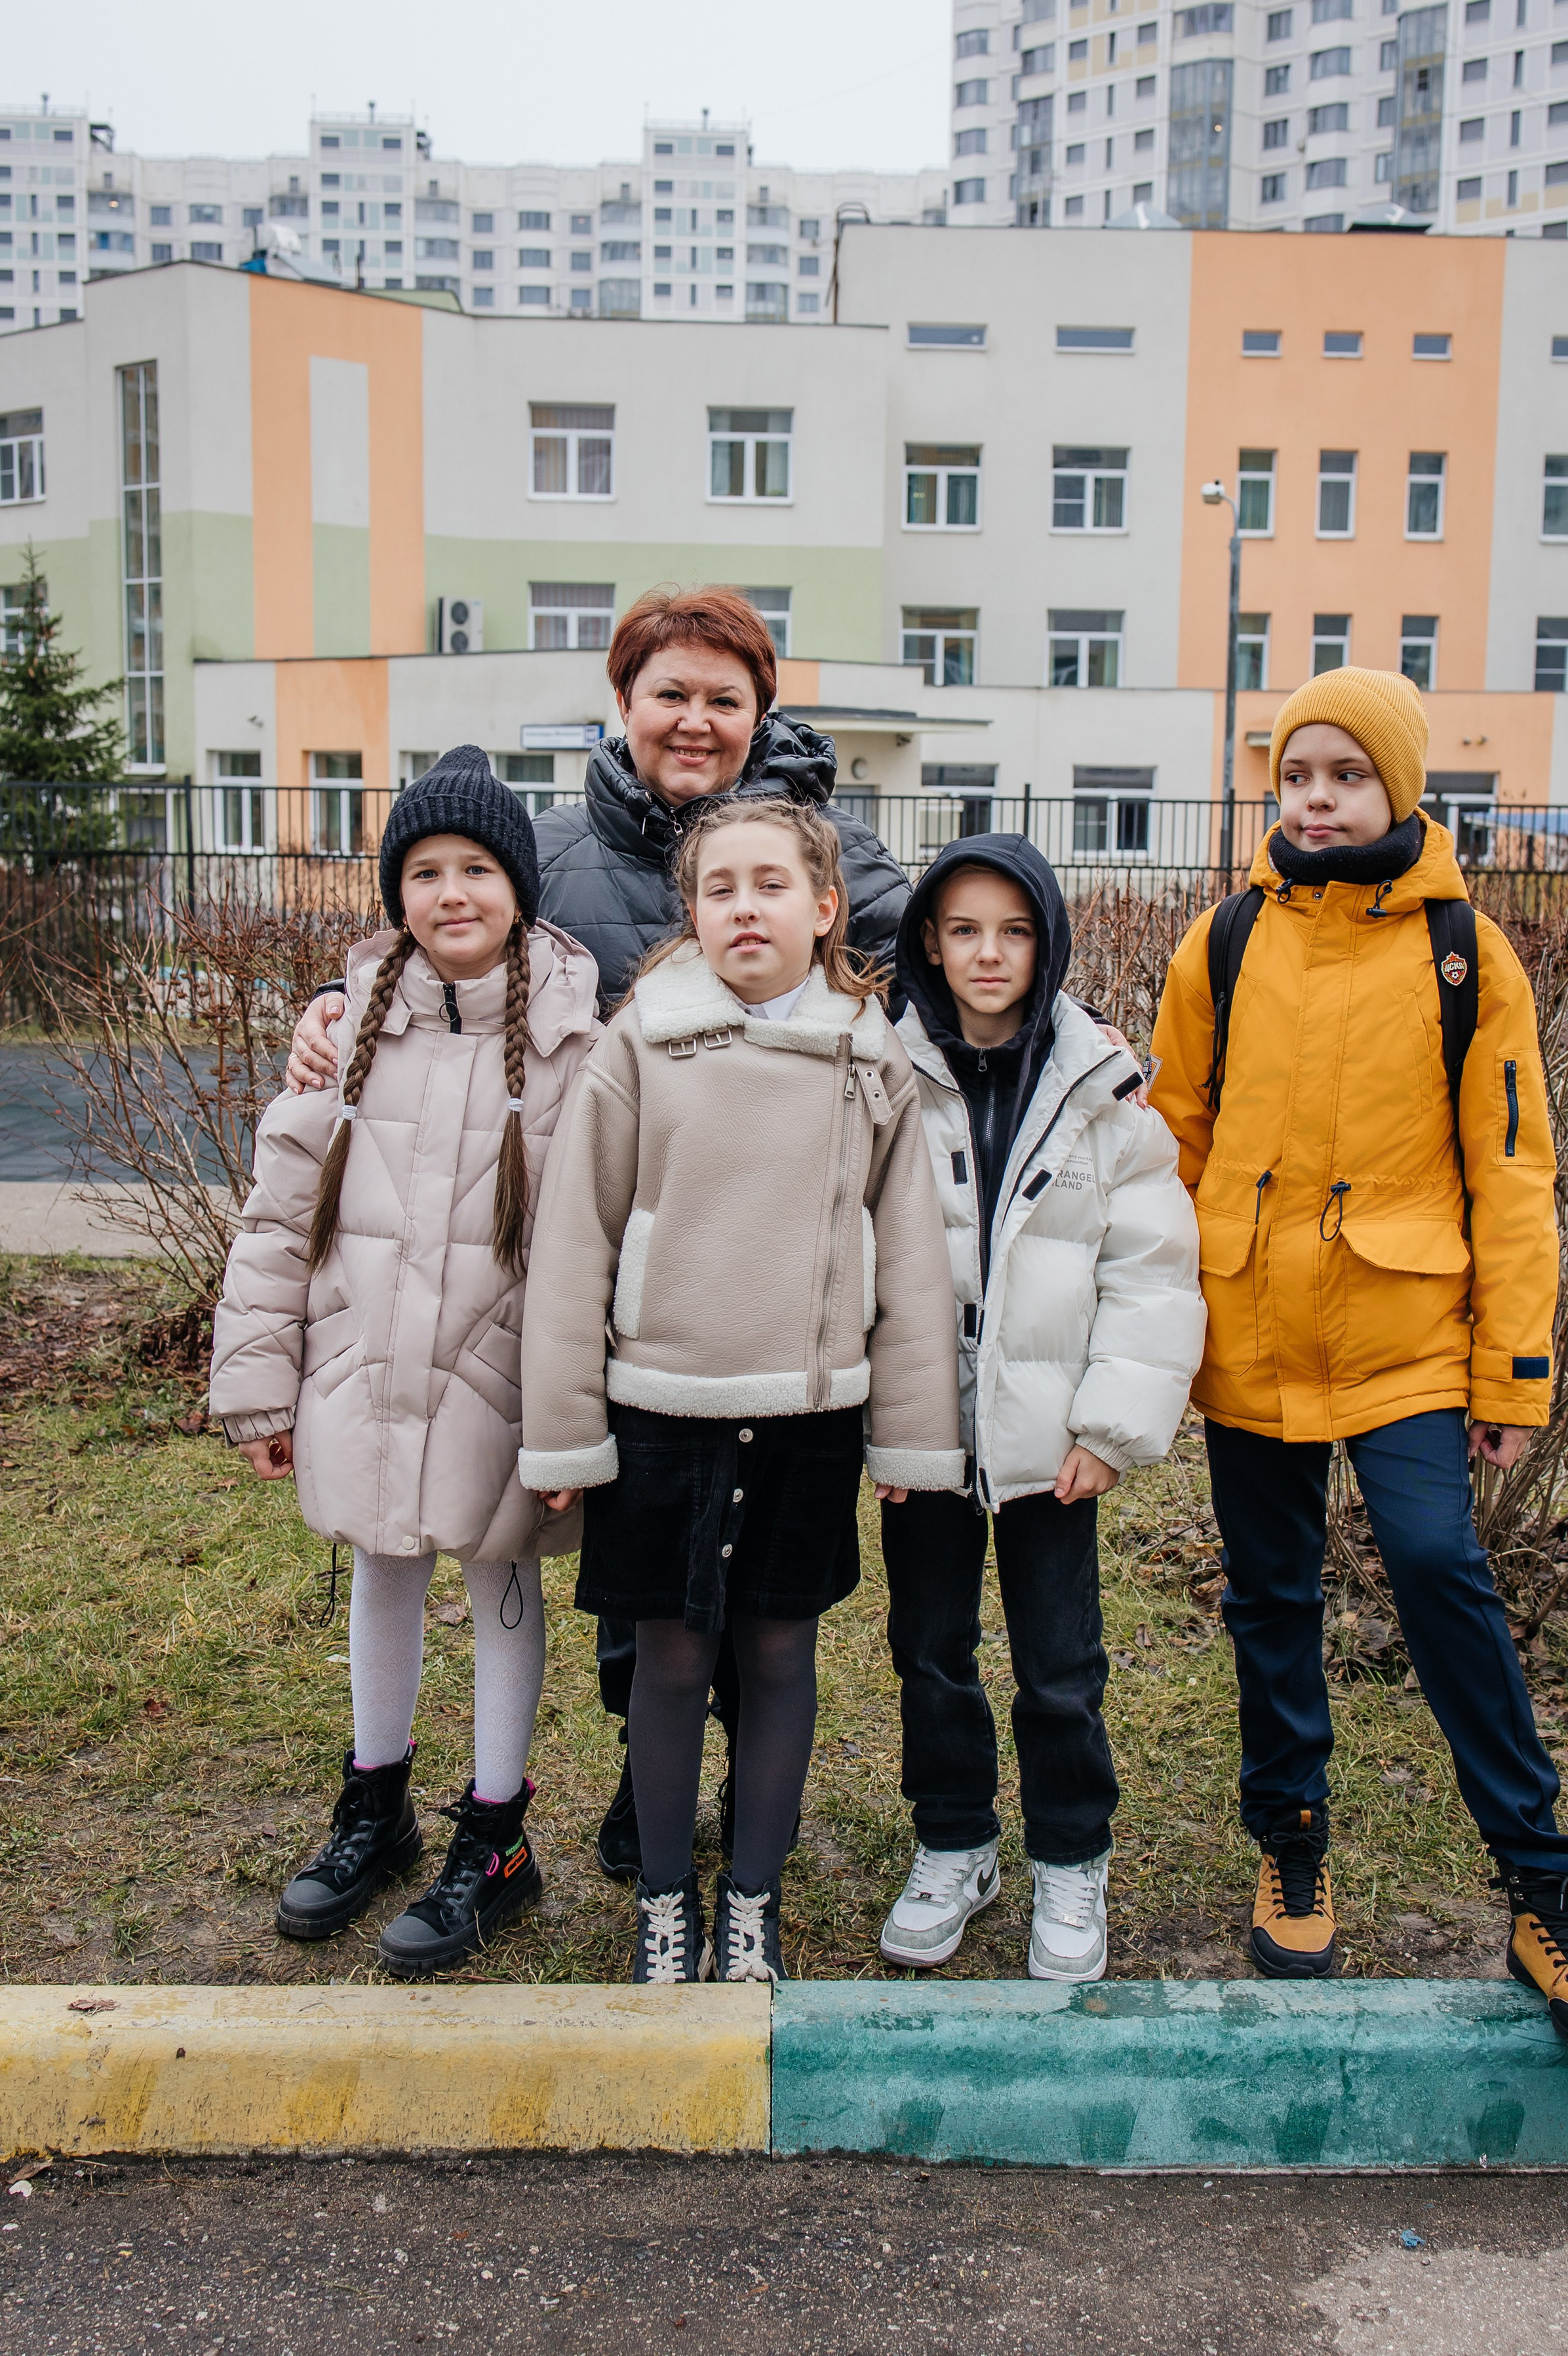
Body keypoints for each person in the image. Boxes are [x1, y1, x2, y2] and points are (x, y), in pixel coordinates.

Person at [282, 588, 911, 1882]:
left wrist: (1067, 1027)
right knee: (644, 1567)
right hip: (598, 1272)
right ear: (622, 703)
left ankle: (726, 1789)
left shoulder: (831, 857)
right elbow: (447, 956)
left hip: (768, 1278)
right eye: (668, 693)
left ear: (758, 715)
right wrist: (332, 1003)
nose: (693, 720)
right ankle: (646, 1776)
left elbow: (958, 975)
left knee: (760, 1577)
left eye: (722, 699)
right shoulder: (554, 855)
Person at [1148, 668, 1568, 2052]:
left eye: (1346, 775)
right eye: (1296, 774)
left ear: (1399, 788)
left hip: (1405, 1332)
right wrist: (1146, 1325)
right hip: (1245, 1319)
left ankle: (1545, 1886)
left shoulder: (1461, 954)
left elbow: (1512, 1168)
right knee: (1269, 1592)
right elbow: (1167, 1141)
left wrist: (1514, 1371)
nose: (1316, 798)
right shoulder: (1225, 942)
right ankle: (1290, 1834)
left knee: (1436, 1570)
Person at [518, 799, 962, 1982]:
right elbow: (575, 1245)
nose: (745, 908)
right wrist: (563, 1438)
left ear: (825, 910)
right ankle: (668, 1902)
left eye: (773, 886)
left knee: (777, 1654)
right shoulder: (641, 1042)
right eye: (721, 889)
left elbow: (911, 1257)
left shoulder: (872, 1056)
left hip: (811, 1416)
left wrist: (914, 1444)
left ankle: (751, 1901)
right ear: (694, 912)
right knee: (666, 1659)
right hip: (664, 1405)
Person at [209, 747, 600, 1976]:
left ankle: (497, 1836)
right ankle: (372, 1807)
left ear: (520, 889)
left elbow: (595, 1252)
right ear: (396, 894)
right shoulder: (345, 1041)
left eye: (477, 868)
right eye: (424, 871)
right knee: (382, 1568)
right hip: (362, 1372)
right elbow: (277, 1225)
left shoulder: (576, 1046)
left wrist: (571, 1422)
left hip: (497, 1386)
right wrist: (259, 1383)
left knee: (498, 1583)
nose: (451, 894)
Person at [875, 836, 1205, 1981]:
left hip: (1052, 1444)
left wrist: (1109, 1429)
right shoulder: (882, 1073)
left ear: (1048, 944)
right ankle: (954, 1840)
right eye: (964, 929)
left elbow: (1152, 1271)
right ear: (929, 939)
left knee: (1059, 1665)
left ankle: (1072, 1857)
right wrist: (881, 1418)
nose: (988, 953)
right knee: (930, 1651)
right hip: (923, 1430)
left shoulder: (1101, 1092)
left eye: (1014, 932)